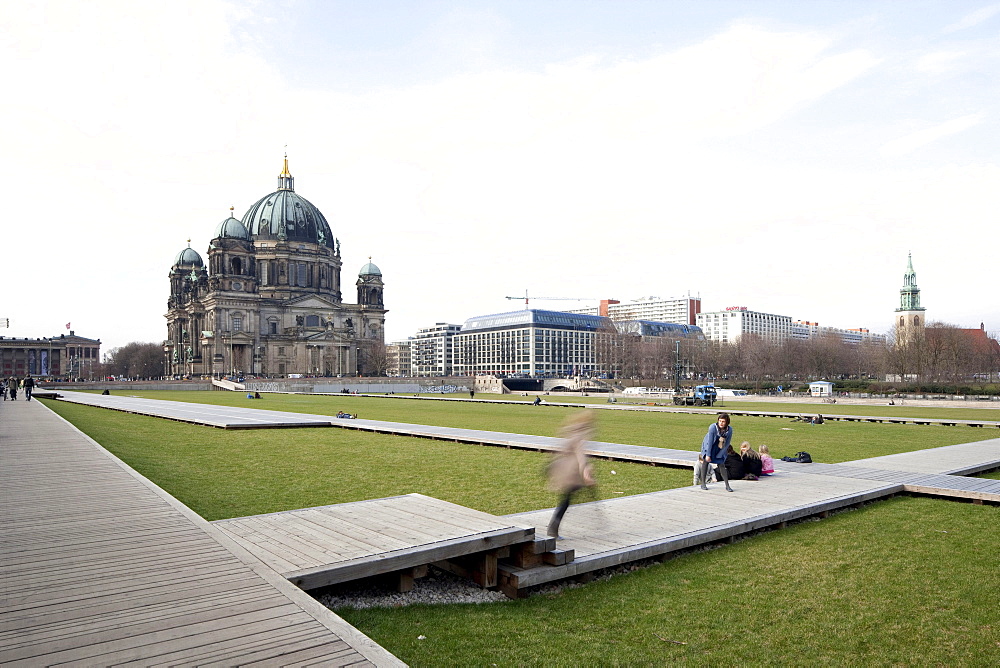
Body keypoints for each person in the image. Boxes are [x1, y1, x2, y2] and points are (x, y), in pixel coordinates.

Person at [546, 411, 597, 538]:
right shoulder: (580, 436)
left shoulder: (573, 432)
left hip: (566, 471)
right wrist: (586, 474)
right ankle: (553, 529)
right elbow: (581, 457)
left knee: (566, 500)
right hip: (571, 474)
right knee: (566, 501)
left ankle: (553, 529)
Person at [698, 413, 734, 492]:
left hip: (720, 446)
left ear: (727, 422)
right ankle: (703, 483)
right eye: (720, 421)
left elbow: (727, 443)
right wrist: (708, 454)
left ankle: (727, 485)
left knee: (721, 464)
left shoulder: (729, 430)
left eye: (723, 421)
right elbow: (710, 442)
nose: (721, 423)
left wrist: (721, 454)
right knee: (705, 462)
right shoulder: (712, 428)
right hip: (710, 445)